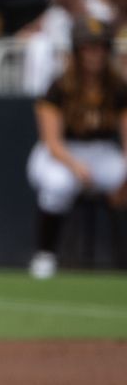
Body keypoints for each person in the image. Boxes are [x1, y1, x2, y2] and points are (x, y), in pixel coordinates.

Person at [27, 17, 127, 278]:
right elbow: (52, 141)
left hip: (102, 150)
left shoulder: (117, 88)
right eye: (88, 48)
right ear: (77, 51)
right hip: (62, 151)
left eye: (101, 48)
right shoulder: (59, 87)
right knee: (59, 183)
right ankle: (45, 254)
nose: (95, 55)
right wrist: (75, 165)